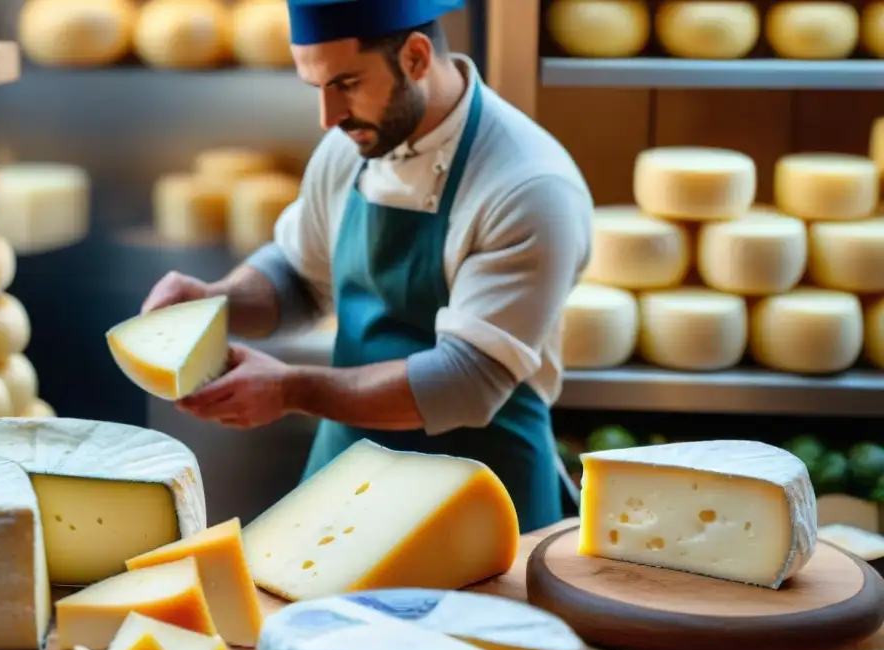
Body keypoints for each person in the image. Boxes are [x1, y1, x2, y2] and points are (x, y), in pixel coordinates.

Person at [141, 0, 593, 533]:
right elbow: (298, 275)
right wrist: (216, 302)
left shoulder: (527, 186)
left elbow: (466, 382)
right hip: (348, 478)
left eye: (347, 83)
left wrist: (289, 389)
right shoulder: (350, 144)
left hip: (481, 490)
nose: (328, 117)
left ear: (417, 58)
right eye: (318, 88)